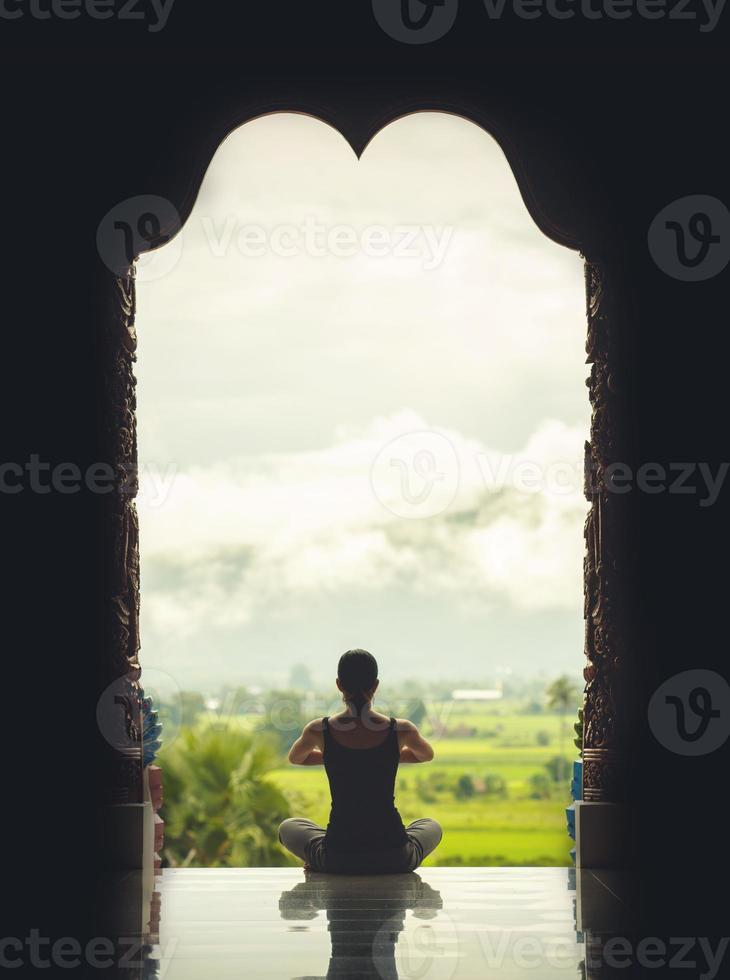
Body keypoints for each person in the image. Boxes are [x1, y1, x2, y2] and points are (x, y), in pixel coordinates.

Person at [279, 649, 442, 874]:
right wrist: (387, 755)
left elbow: (296, 758)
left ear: (339, 684)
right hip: (394, 857)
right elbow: (426, 755)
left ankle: (320, 860)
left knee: (288, 827)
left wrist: (337, 757)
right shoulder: (401, 729)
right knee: (431, 826)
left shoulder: (319, 729)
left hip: (338, 857)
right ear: (375, 686)